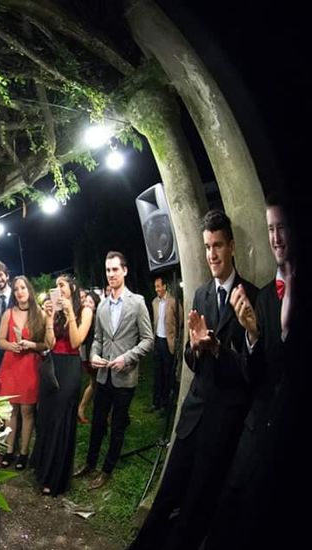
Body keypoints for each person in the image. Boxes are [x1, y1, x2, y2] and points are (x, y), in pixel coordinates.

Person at [131, 210, 258, 550]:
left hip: (222, 422)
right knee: (167, 495)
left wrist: (217, 349)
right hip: (193, 416)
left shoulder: (253, 297)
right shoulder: (201, 294)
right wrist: (195, 348)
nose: (212, 255)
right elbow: (190, 359)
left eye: (217, 246)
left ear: (231, 247)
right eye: (206, 247)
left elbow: (251, 373)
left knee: (197, 505)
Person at [203, 194, 296, 548]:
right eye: (271, 228)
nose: (276, 237)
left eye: (283, 227)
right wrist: (253, 334)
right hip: (257, 427)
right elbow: (257, 372)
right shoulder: (266, 299)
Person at [74, 251, 153, 490]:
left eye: (115, 269)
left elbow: (148, 340)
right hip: (103, 375)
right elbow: (97, 338)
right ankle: (89, 463)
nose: (111, 274)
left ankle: (106, 469)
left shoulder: (137, 302)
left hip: (124, 377)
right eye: (108, 270)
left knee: (117, 426)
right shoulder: (103, 305)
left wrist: (127, 358)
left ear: (125, 271)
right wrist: (94, 355)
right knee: (97, 423)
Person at [32, 274, 94, 496]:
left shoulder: (85, 309)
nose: (58, 289)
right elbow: (50, 343)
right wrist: (49, 318)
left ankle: (56, 477)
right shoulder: (55, 310)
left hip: (70, 367)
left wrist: (70, 314)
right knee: (46, 417)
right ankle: (43, 469)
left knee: (60, 420)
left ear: (72, 287)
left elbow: (77, 341)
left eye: (62, 285)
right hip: (51, 366)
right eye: (56, 285)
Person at [0, 276, 53, 470]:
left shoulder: (40, 314)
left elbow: (47, 344)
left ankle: (24, 453)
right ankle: (9, 450)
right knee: (11, 410)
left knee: (27, 411)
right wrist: (12, 346)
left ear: (29, 290)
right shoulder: (8, 313)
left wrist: (31, 345)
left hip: (30, 365)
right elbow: (0, 341)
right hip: (11, 365)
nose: (20, 291)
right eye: (16, 289)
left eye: (23, 288)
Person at [150, 275, 180, 414]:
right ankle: (156, 402)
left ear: (164, 287)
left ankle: (166, 405)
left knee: (168, 374)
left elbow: (180, 320)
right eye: (155, 287)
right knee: (157, 372)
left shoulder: (173, 302)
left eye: (158, 286)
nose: (156, 289)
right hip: (158, 341)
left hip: (169, 342)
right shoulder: (155, 302)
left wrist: (174, 335)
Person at [77, 289, 101, 424]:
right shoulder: (85, 318)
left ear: (96, 305)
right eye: (86, 301)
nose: (87, 304)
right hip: (89, 356)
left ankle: (82, 409)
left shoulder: (96, 317)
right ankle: (85, 410)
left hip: (94, 356)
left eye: (90, 302)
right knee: (95, 384)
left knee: (94, 384)